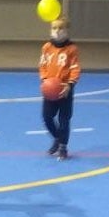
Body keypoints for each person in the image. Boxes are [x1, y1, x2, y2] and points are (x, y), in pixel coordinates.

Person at [38, 17, 80, 160]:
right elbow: (42, 66)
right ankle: (57, 137)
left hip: (64, 89)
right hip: (50, 89)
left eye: (60, 28)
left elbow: (75, 68)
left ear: (66, 31)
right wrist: (44, 80)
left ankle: (63, 147)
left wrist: (69, 84)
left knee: (64, 119)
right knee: (47, 116)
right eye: (54, 28)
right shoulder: (46, 47)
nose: (57, 31)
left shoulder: (72, 49)